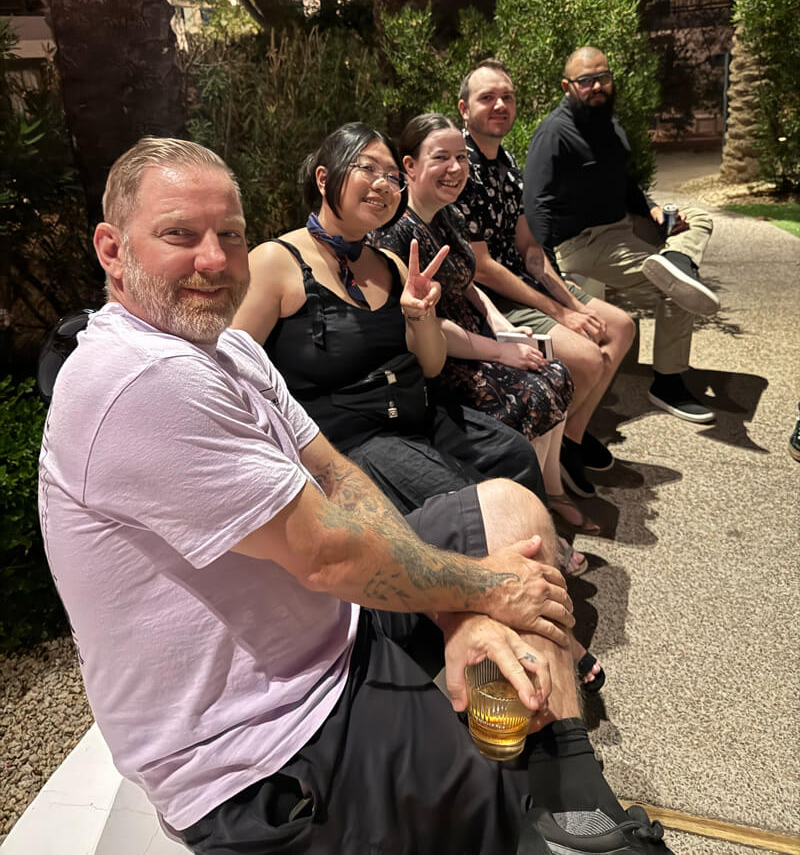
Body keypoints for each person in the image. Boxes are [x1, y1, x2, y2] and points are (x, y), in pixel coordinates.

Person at [39, 137, 670, 855]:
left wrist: (457, 608)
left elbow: (335, 474)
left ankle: (574, 792)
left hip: (335, 624)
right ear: (112, 249)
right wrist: (481, 590)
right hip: (268, 736)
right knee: (490, 801)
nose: (214, 259)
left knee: (510, 506)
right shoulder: (140, 379)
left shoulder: (230, 348)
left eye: (230, 234)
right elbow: (326, 550)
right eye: (180, 235)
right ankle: (555, 823)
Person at [232, 122, 548, 516]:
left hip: (421, 417)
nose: (383, 185)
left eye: (393, 178)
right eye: (367, 168)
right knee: (482, 507)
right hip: (354, 442)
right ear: (324, 177)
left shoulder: (394, 266)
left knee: (515, 456)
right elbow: (231, 372)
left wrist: (421, 316)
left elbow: (430, 366)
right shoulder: (277, 262)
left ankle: (536, 558)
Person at [375, 115, 596, 541]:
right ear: (409, 166)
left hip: (476, 336)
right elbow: (427, 321)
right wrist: (499, 351)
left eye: (461, 157)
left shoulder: (448, 215)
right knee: (528, 392)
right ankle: (526, 523)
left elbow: (468, 281)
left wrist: (502, 325)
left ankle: (550, 492)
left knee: (554, 373)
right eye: (441, 158)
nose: (456, 168)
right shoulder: (398, 234)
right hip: (441, 355)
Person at [455, 60, 636, 500]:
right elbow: (481, 267)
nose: (500, 104)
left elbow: (530, 250)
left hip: (522, 281)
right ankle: (553, 452)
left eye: (508, 97)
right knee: (589, 358)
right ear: (464, 109)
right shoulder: (461, 168)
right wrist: (558, 312)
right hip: (491, 297)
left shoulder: (508, 163)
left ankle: (569, 440)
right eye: (487, 97)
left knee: (620, 327)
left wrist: (574, 305)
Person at [524, 47, 719, 425]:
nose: (597, 86)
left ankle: (677, 262)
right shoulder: (554, 134)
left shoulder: (607, 123)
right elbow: (537, 205)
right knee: (675, 290)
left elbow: (623, 180)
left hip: (623, 227)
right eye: (586, 81)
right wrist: (547, 274)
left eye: (603, 77)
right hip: (583, 243)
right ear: (567, 87)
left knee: (696, 218)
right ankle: (668, 382)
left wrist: (652, 210)